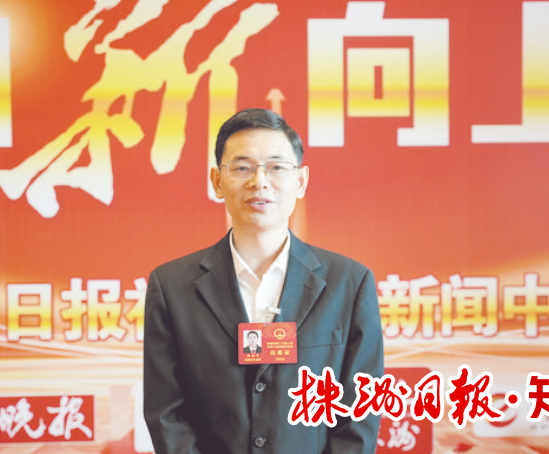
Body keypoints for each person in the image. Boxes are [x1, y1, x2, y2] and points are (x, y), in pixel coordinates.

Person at [143, 108, 384, 454]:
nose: (259, 181)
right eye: (242, 167)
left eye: (276, 167)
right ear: (217, 181)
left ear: (301, 181)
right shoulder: (171, 287)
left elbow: (360, 411)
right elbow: (166, 411)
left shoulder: (350, 283)